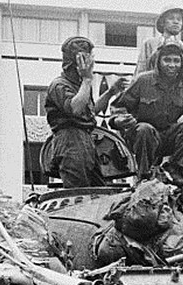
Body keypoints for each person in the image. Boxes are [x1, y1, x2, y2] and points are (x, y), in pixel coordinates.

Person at [111, 41, 183, 183]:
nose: (172, 65)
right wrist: (119, 120)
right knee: (144, 129)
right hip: (142, 137)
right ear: (158, 62)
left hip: (168, 136)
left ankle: (176, 169)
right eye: (167, 60)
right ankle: (144, 175)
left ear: (182, 64)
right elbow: (119, 107)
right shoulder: (143, 80)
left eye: (176, 61)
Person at [44, 35, 129, 187]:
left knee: (99, 192)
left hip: (87, 141)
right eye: (85, 60)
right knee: (79, 193)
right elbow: (75, 109)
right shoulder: (59, 85)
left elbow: (90, 110)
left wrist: (111, 92)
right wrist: (87, 79)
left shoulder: (80, 85)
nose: (90, 64)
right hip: (70, 141)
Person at [136, 6, 183, 76]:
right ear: (162, 22)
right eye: (171, 18)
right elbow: (141, 70)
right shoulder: (150, 44)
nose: (176, 22)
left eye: (179, 19)